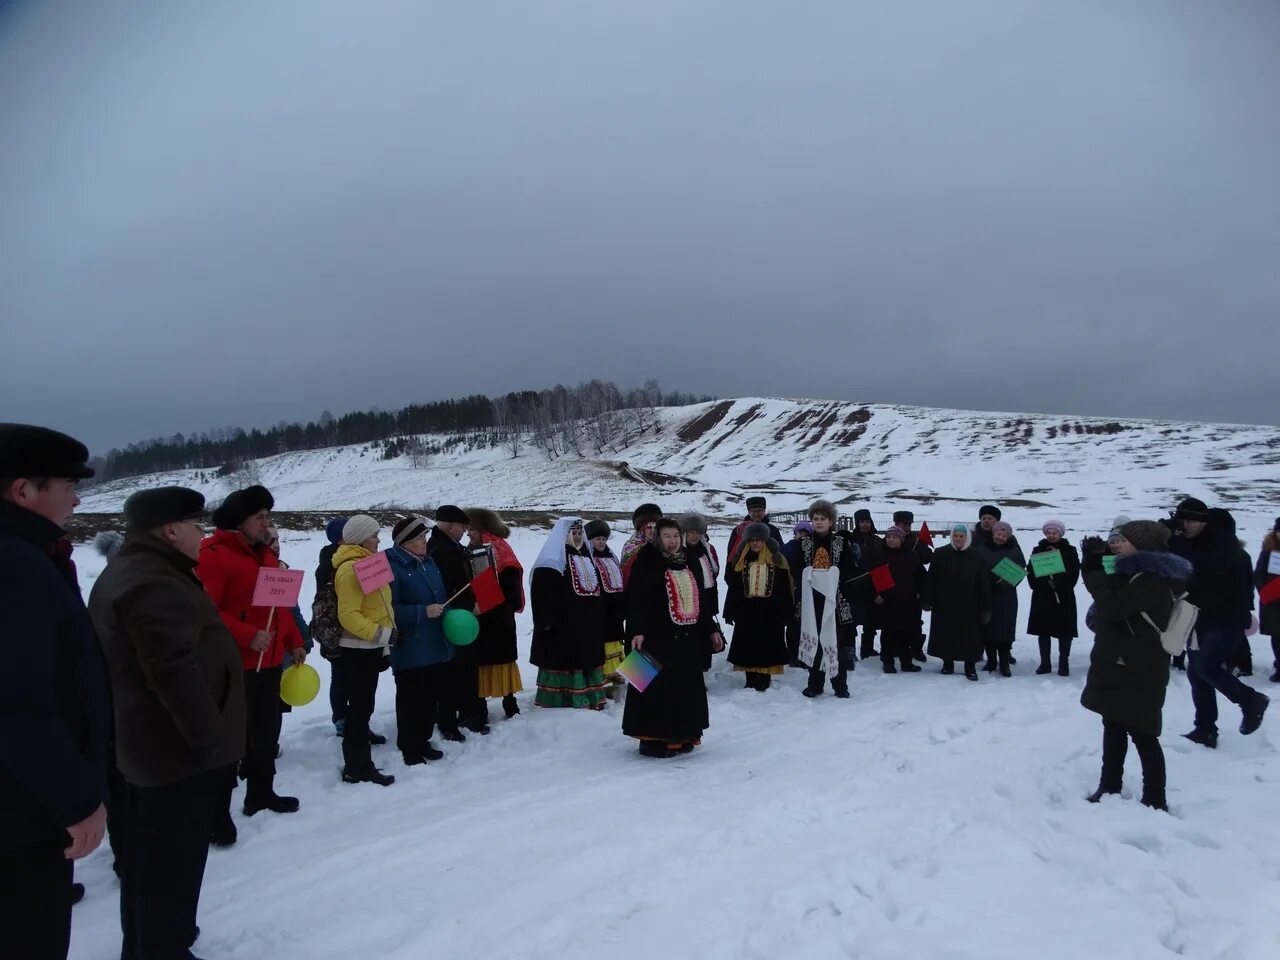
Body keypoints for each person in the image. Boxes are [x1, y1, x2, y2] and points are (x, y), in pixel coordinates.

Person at [88, 487, 246, 958]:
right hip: (173, 752)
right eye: (197, 525)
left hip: (154, 746)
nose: (204, 535)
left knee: (152, 864)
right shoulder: (154, 581)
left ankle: (154, 941)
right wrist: (209, 741)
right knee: (169, 866)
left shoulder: (142, 569)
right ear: (170, 529)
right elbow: (171, 671)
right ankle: (163, 947)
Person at [0, 424, 109, 960]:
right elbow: (15, 701)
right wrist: (76, 799)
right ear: (23, 491)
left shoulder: (28, 555)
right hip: (23, 811)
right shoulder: (13, 564)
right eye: (67, 484)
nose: (78, 497)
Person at [197, 485, 304, 824]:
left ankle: (261, 792)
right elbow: (205, 612)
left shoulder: (266, 555)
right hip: (234, 664)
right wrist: (247, 635)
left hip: (270, 661)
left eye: (267, 517)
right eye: (260, 517)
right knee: (232, 739)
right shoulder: (213, 555)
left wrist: (293, 640)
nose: (266, 524)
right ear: (239, 520)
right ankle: (216, 812)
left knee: (265, 730)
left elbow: (279, 606)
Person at [1079, 521, 1192, 812]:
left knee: (1143, 732)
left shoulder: (1151, 578)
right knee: (1113, 724)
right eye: (1115, 539)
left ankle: (1155, 798)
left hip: (1139, 665)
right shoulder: (1133, 572)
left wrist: (1092, 571)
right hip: (1122, 661)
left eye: (1123, 540)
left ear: (1143, 545)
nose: (1115, 543)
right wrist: (1093, 562)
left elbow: (1114, 607)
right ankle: (1110, 784)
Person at [1168, 498, 1269, 748]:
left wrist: (1177, 540)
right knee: (1196, 671)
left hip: (1227, 620)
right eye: (1183, 520)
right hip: (1201, 618)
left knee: (1206, 666)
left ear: (1205, 521)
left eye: (1191, 520)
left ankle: (1250, 700)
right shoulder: (1196, 543)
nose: (1186, 525)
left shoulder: (1225, 545)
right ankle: (1205, 728)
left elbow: (1208, 568)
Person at [623, 518, 725, 755]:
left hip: (686, 637)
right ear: (658, 538)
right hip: (654, 637)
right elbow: (634, 599)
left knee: (684, 688)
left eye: (676, 536)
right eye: (667, 536)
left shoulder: (689, 561)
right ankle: (650, 740)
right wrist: (636, 630)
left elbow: (700, 600)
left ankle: (682, 735)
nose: (672, 541)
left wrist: (711, 629)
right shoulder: (646, 559)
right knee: (650, 687)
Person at [332, 515, 396, 786]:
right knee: (359, 709)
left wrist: (382, 645)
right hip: (358, 648)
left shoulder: (369, 563)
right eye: (373, 535)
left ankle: (360, 763)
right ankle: (357, 766)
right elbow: (348, 615)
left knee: (363, 707)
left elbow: (379, 605)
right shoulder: (349, 569)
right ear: (360, 537)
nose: (378, 540)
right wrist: (382, 634)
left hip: (371, 647)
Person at [387, 516, 452, 765]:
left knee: (430, 696)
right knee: (411, 698)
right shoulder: (392, 566)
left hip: (434, 642)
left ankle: (423, 740)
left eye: (424, 537)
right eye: (418, 539)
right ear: (404, 542)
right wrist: (421, 612)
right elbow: (388, 608)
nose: (424, 542)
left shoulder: (429, 562)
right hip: (410, 646)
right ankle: (409, 746)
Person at [530, 517, 608, 709]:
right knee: (566, 658)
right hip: (563, 623)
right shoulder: (552, 560)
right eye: (573, 533)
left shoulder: (587, 557)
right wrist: (546, 621)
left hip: (588, 622)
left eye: (581, 533)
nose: (578, 536)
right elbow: (542, 595)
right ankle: (563, 698)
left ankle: (588, 695)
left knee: (587, 658)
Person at [429, 505, 485, 738]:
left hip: (458, 617)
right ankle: (467, 713)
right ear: (451, 526)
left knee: (461, 668)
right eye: (462, 527)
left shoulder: (447, 546)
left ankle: (464, 710)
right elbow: (453, 586)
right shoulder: (443, 550)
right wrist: (470, 605)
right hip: (458, 619)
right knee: (462, 668)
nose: (464, 531)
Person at [796, 499, 861, 698]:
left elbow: (852, 569)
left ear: (831, 521)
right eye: (815, 519)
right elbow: (797, 568)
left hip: (836, 602)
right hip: (812, 601)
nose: (819, 522)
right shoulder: (805, 544)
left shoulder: (841, 543)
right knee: (815, 643)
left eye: (823, 519)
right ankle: (814, 684)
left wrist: (836, 575)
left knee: (836, 644)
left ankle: (840, 685)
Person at [466, 508, 526, 720]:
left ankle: (509, 704)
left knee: (499, 660)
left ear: (483, 528)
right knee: (483, 661)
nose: (468, 533)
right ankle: (487, 705)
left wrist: (494, 604)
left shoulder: (497, 549)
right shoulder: (475, 548)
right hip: (484, 616)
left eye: (471, 529)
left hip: (497, 617)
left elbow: (510, 584)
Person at [722, 523, 793, 690]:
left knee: (767, 647)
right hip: (747, 613)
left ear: (765, 541)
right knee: (748, 647)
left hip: (770, 612)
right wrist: (730, 611)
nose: (755, 543)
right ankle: (750, 679)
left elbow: (785, 589)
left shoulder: (778, 561)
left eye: (759, 540)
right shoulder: (740, 562)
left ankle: (765, 678)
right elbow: (734, 589)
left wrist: (784, 611)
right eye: (752, 540)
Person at [923, 524, 991, 681]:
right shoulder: (941, 554)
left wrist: (985, 608)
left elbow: (983, 585)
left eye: (962, 536)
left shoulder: (977, 556)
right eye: (956, 536)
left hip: (970, 604)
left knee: (970, 636)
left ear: (967, 538)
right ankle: (947, 663)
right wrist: (927, 599)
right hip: (945, 603)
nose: (958, 539)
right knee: (946, 633)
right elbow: (931, 579)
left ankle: (970, 666)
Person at [1026, 520, 1080, 676]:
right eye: (1048, 533)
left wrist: (1059, 583)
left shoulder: (1070, 550)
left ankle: (1064, 662)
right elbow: (1031, 570)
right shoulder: (1038, 549)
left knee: (1065, 630)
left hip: (1063, 596)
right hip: (1043, 596)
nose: (1051, 535)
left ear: (1060, 534)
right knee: (1043, 630)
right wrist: (1041, 585)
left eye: (1054, 533)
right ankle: (1045, 663)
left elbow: (1074, 571)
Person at [874, 526, 926, 673]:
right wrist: (876, 594)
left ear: (901, 540)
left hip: (907, 601)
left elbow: (921, 576)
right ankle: (888, 662)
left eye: (895, 537)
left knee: (906, 633)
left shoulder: (911, 555)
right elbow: (871, 578)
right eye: (889, 536)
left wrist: (920, 592)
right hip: (887, 601)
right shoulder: (879, 555)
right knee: (888, 633)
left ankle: (906, 662)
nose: (891, 539)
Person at [586, 519, 627, 688]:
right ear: (589, 541)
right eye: (597, 539)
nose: (601, 542)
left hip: (616, 609)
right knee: (604, 644)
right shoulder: (588, 560)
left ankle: (618, 678)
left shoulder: (611, 557)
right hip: (601, 610)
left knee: (617, 641)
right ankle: (604, 681)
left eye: (604, 539)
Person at [679, 512, 721, 671]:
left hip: (699, 605)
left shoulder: (703, 552)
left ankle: (697, 673)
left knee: (699, 643)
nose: (694, 536)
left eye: (697, 532)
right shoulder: (664, 558)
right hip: (675, 612)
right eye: (691, 532)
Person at [893, 509, 932, 661]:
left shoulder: (917, 539)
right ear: (896, 524)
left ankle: (916, 648)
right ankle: (896, 647)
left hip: (915, 585)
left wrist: (922, 553)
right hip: (896, 586)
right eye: (903, 524)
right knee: (895, 619)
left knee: (916, 620)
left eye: (909, 524)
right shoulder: (891, 537)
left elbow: (928, 558)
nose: (906, 527)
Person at [847, 509, 884, 659]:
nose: (865, 524)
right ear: (857, 523)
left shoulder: (878, 541)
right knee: (852, 620)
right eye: (862, 521)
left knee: (871, 619)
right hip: (854, 586)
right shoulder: (850, 540)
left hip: (873, 585)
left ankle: (867, 649)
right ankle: (850, 650)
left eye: (867, 521)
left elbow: (882, 564)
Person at [780, 521, 813, 666]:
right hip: (792, 591)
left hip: (810, 590)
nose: (803, 536)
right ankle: (793, 654)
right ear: (795, 533)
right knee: (793, 625)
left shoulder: (814, 549)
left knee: (808, 624)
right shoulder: (787, 548)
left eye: (806, 534)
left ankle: (806, 653)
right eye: (800, 533)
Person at [1256, 517, 1280, 683]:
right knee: (1277, 635)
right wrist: (1264, 591)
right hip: (1273, 601)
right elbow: (1258, 574)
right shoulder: (1268, 550)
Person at [725, 495, 783, 561]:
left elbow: (781, 551)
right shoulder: (739, 530)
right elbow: (731, 554)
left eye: (759, 511)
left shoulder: (773, 530)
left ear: (764, 511)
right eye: (753, 511)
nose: (756, 514)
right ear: (748, 512)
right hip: (743, 568)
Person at [621, 502, 662, 584]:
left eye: (655, 527)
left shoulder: (661, 544)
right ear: (641, 528)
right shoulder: (631, 547)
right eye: (649, 527)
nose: (653, 530)